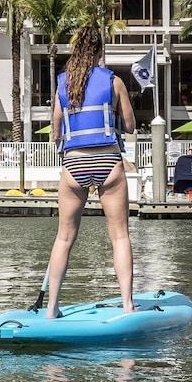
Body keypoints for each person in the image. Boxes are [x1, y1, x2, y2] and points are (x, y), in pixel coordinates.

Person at [43, 26, 137, 318]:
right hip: (108, 163)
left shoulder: (62, 84)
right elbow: (131, 126)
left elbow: (56, 132)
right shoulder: (114, 81)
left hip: (74, 167)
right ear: (99, 51)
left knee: (64, 238)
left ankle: (51, 308)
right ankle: (127, 305)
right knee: (119, 236)